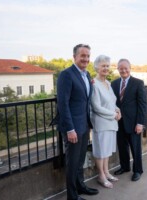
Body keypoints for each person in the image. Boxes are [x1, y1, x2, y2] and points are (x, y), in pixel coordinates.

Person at [57, 44, 99, 200]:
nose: (86, 59)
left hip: (84, 125)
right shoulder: (66, 75)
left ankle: (81, 186)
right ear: (74, 57)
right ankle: (72, 196)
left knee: (80, 161)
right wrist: (69, 129)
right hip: (73, 128)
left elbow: (85, 99)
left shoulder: (86, 75)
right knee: (73, 163)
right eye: (82, 56)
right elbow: (63, 104)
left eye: (88, 56)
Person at [111, 58, 147, 181]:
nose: (124, 70)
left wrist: (140, 123)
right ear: (118, 69)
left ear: (130, 68)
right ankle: (125, 167)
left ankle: (138, 170)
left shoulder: (138, 83)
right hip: (119, 122)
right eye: (121, 68)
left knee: (135, 148)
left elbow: (142, 105)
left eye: (126, 68)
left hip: (133, 123)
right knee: (122, 147)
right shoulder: (114, 84)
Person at [90, 55, 121, 189]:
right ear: (97, 67)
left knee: (107, 150)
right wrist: (113, 114)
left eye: (107, 65)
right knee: (101, 151)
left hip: (111, 122)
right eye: (103, 65)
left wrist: (118, 110)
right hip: (101, 123)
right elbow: (96, 107)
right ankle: (101, 176)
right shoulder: (94, 84)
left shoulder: (108, 83)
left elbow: (112, 101)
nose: (106, 68)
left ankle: (107, 172)